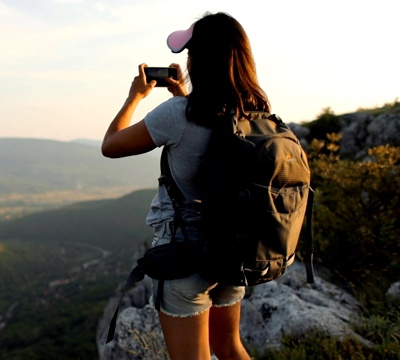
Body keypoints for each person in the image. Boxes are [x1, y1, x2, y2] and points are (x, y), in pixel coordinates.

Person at [101, 11, 270, 360]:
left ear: (199, 59)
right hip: (233, 250)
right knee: (230, 347)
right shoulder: (256, 113)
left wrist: (136, 96)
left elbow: (111, 145)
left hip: (184, 256)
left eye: (190, 53)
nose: (187, 60)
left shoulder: (177, 114)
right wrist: (182, 93)